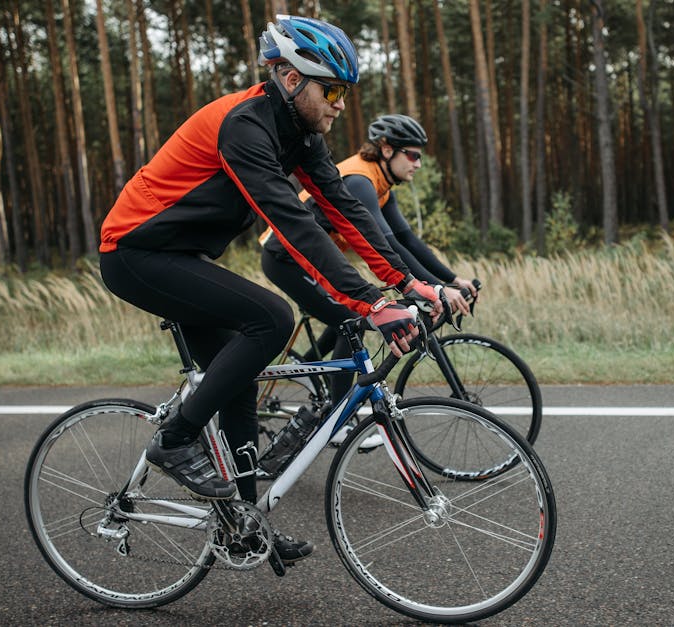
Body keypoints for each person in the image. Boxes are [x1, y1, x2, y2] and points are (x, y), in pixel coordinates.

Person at [98, 15, 439, 564]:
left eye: (345, 94)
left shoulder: (301, 135)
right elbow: (292, 223)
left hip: (180, 256)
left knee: (238, 375)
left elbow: (343, 210)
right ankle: (175, 439)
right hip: (134, 252)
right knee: (273, 318)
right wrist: (372, 302)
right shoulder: (244, 125)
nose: (340, 105)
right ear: (291, 78)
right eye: (332, 91)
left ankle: (244, 525)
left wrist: (408, 282)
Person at [260, 114, 478, 412]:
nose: (418, 164)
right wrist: (435, 289)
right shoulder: (360, 181)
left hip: (312, 259)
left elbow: (407, 239)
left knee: (348, 316)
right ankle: (338, 416)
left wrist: (450, 280)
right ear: (387, 150)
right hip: (285, 258)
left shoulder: (380, 186)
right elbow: (388, 245)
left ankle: (309, 369)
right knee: (352, 319)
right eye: (412, 155)